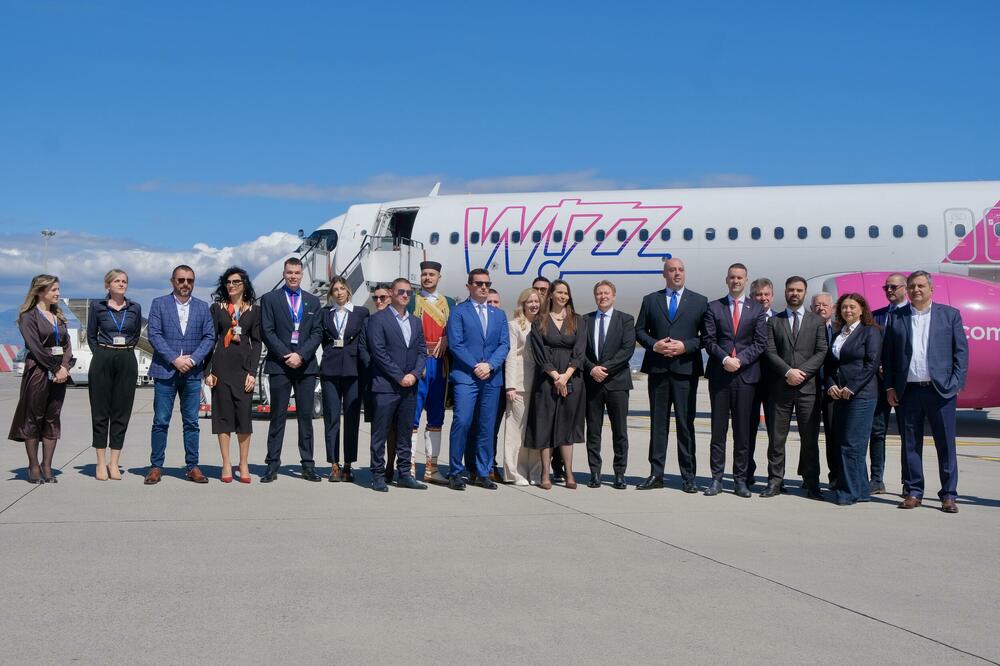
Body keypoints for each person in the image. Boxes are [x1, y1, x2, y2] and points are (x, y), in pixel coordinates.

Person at [883, 271, 968, 513]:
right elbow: (888, 356)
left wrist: (955, 383)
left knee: (946, 444)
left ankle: (948, 495)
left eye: (921, 286)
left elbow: (961, 353)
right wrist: (890, 386)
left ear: (931, 289)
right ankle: (913, 492)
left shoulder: (949, 315)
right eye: (912, 286)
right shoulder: (897, 317)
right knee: (910, 444)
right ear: (907, 290)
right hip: (908, 391)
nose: (916, 290)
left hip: (940, 391)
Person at [635, 258, 708, 492]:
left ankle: (688, 477)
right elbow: (639, 331)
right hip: (658, 371)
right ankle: (656, 474)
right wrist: (654, 345)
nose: (677, 273)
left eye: (680, 270)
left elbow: (706, 337)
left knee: (685, 425)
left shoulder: (699, 301)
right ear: (664, 274)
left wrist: (685, 346)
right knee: (658, 424)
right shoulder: (650, 300)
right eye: (672, 270)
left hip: (685, 371)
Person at [701, 263, 768, 498]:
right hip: (720, 377)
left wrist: (739, 360)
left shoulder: (757, 309)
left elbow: (760, 343)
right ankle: (716, 479)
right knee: (718, 432)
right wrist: (724, 359)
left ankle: (740, 480)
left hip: (746, 376)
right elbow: (709, 340)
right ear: (726, 280)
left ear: (746, 280)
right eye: (732, 277)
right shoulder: (713, 307)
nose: (736, 281)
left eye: (740, 277)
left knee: (742, 432)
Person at [145, 265, 216, 484]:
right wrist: (175, 359)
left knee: (192, 422)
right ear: (172, 281)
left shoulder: (202, 307)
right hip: (166, 371)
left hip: (192, 374)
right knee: (161, 421)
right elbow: (154, 334)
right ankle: (156, 466)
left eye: (190, 280)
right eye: (181, 280)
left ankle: (192, 466)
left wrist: (193, 360)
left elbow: (209, 337)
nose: (185, 284)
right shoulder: (159, 304)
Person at [762, 276, 828, 499]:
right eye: (791, 290)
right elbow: (770, 351)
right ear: (785, 292)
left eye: (799, 290)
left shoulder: (816, 321)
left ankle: (811, 482)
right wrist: (788, 372)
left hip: (807, 389)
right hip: (780, 388)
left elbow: (821, 351)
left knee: (809, 439)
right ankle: (775, 481)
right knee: (776, 439)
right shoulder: (774, 321)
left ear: (805, 293)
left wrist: (802, 373)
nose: (794, 293)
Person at [259, 257, 324, 482]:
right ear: (284, 274)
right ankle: (272, 465)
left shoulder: (312, 301)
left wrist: (301, 355)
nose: (293, 276)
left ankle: (308, 465)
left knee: (305, 417)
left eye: (297, 272)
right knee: (277, 417)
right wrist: (286, 355)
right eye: (289, 272)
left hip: (305, 367)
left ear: (302, 275)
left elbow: (317, 332)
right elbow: (267, 331)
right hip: (280, 365)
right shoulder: (270, 299)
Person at [446, 269, 510, 490]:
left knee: (486, 426)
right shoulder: (458, 312)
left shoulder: (499, 315)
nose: (484, 287)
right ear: (469, 286)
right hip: (467, 376)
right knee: (462, 421)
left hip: (491, 378)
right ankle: (455, 471)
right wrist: (476, 365)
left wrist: (490, 365)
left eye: (487, 284)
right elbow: (456, 344)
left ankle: (482, 472)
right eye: (479, 283)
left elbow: (504, 345)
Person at [9, 275, 73, 484]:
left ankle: (47, 465)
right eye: (54, 290)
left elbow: (67, 345)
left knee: (52, 418)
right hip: (38, 372)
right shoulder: (28, 316)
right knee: (33, 418)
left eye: (58, 289)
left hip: (59, 373)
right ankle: (34, 465)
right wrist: (55, 368)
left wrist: (64, 367)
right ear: (40, 291)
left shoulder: (58, 317)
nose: (58, 293)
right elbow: (35, 347)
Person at [365, 278, 428, 492]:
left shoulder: (415, 322)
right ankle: (378, 475)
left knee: (404, 433)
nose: (405, 295)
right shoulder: (378, 319)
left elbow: (422, 351)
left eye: (408, 292)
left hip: (409, 386)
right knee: (380, 434)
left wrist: (414, 375)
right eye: (401, 291)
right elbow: (378, 352)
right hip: (386, 386)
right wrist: (400, 376)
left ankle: (404, 474)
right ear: (392, 293)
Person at [525, 279, 587, 489]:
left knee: (567, 425)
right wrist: (555, 376)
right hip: (546, 379)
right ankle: (545, 473)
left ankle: (569, 473)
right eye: (559, 292)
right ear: (551, 294)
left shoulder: (577, 320)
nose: (563, 296)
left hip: (572, 378)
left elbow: (580, 351)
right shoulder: (540, 321)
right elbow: (539, 352)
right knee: (545, 425)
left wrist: (565, 376)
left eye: (566, 293)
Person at [204, 267, 262, 483]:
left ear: (244, 285)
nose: (231, 285)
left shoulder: (254, 311)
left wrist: (253, 372)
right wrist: (207, 371)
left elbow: (257, 343)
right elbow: (210, 340)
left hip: (243, 370)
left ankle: (243, 463)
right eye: (228, 282)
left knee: (244, 418)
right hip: (221, 368)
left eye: (236, 282)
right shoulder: (217, 308)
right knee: (223, 418)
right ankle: (227, 463)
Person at [824, 293, 882, 506]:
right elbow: (830, 365)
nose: (847, 310)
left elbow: (871, 364)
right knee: (845, 442)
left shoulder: (870, 331)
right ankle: (862, 490)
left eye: (852, 307)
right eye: (844, 307)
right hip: (840, 394)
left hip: (862, 396)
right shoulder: (838, 334)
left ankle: (847, 492)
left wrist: (852, 387)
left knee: (851, 444)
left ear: (861, 309)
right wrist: (831, 384)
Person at [86, 269, 141, 481]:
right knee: (100, 411)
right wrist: (101, 353)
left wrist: (125, 351)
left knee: (121, 411)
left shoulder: (134, 308)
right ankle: (101, 462)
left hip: (126, 356)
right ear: (107, 285)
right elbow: (91, 334)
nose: (121, 284)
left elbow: (136, 334)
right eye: (117, 281)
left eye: (124, 281)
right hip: (103, 355)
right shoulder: (97, 306)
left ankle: (114, 462)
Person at [583, 280, 636, 489]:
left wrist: (603, 369)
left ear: (613, 296)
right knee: (593, 431)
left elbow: (627, 349)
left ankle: (619, 474)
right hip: (592, 384)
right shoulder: (585, 320)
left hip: (617, 383)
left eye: (606, 293)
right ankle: (595, 473)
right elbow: (579, 351)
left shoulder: (625, 320)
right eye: (599, 293)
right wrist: (591, 368)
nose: (602, 296)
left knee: (620, 431)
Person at [408, 261, 454, 484]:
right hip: (419, 363)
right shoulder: (412, 301)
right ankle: (407, 467)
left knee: (437, 416)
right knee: (412, 417)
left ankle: (431, 468)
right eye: (424, 274)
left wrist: (448, 338)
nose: (427, 277)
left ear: (439, 277)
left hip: (440, 364)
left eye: (431, 274)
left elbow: (457, 330)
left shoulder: (450, 303)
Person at [320, 276, 369, 482]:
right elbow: (323, 340)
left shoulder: (361, 312)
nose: (339, 292)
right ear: (331, 293)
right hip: (330, 369)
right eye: (335, 290)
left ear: (348, 290)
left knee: (351, 418)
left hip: (353, 370)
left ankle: (348, 464)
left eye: (342, 288)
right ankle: (334, 464)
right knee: (331, 417)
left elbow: (364, 340)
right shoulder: (325, 314)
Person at [868, 272, 908, 495]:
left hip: (904, 384)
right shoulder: (876, 317)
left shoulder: (913, 315)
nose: (890, 291)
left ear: (905, 288)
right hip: (880, 384)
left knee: (908, 435)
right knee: (877, 432)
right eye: (887, 288)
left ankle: (909, 482)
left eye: (894, 287)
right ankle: (876, 479)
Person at [502, 288, 543, 485]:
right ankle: (514, 472)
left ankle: (535, 472)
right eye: (530, 302)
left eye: (536, 301)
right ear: (523, 304)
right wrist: (510, 385)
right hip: (519, 383)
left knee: (535, 430)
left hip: (540, 384)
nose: (534, 305)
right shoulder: (514, 325)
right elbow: (510, 356)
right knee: (515, 430)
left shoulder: (543, 324)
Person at [360, 284, 396, 481]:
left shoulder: (399, 320)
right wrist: (375, 368)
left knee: (395, 428)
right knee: (378, 428)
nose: (379, 301)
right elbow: (363, 349)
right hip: (376, 379)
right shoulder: (369, 321)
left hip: (397, 380)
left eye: (383, 297)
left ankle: (391, 466)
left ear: (391, 297)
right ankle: (378, 468)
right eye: (376, 298)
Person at [747, 277, 776, 488]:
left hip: (775, 383)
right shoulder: (745, 319)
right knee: (748, 431)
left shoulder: (780, 319)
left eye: (766, 294)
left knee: (776, 434)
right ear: (751, 297)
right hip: (751, 381)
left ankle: (775, 478)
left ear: (772, 297)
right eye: (758, 295)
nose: (763, 298)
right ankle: (747, 473)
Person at [812, 292, 840, 489]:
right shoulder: (806, 328)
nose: (821, 308)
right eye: (817, 305)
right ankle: (809, 476)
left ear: (833, 308)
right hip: (810, 389)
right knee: (809, 436)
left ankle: (835, 476)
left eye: (824, 305)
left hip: (833, 391)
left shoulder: (841, 329)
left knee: (833, 436)